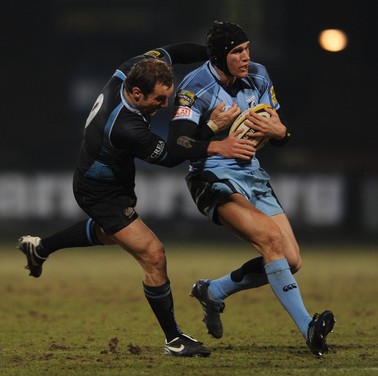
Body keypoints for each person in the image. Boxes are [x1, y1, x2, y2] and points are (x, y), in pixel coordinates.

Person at [17, 43, 245, 357]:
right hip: (100, 191)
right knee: (153, 254)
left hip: (112, 179)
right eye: (159, 99)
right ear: (136, 93)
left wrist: (217, 55)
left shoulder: (134, 67)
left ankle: (40, 248)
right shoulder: (127, 126)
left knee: (110, 233)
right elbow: (169, 157)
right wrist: (210, 128)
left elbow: (171, 52)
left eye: (169, 95)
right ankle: (174, 340)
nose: (165, 105)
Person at [167, 21, 335, 357]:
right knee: (271, 241)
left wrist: (281, 132)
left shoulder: (259, 74)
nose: (246, 57)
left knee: (290, 259)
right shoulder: (194, 87)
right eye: (237, 52)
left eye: (247, 49)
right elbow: (177, 144)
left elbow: (278, 131)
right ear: (219, 56)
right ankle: (308, 328)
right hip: (211, 179)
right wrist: (216, 139)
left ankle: (213, 291)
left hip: (252, 173)